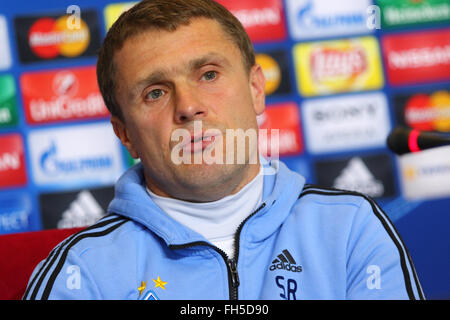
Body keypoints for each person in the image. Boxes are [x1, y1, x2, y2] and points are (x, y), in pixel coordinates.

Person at [23, 0, 424, 300]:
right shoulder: (82, 272)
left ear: (255, 90)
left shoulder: (351, 228)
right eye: (156, 92)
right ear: (124, 133)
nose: (188, 106)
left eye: (209, 74)